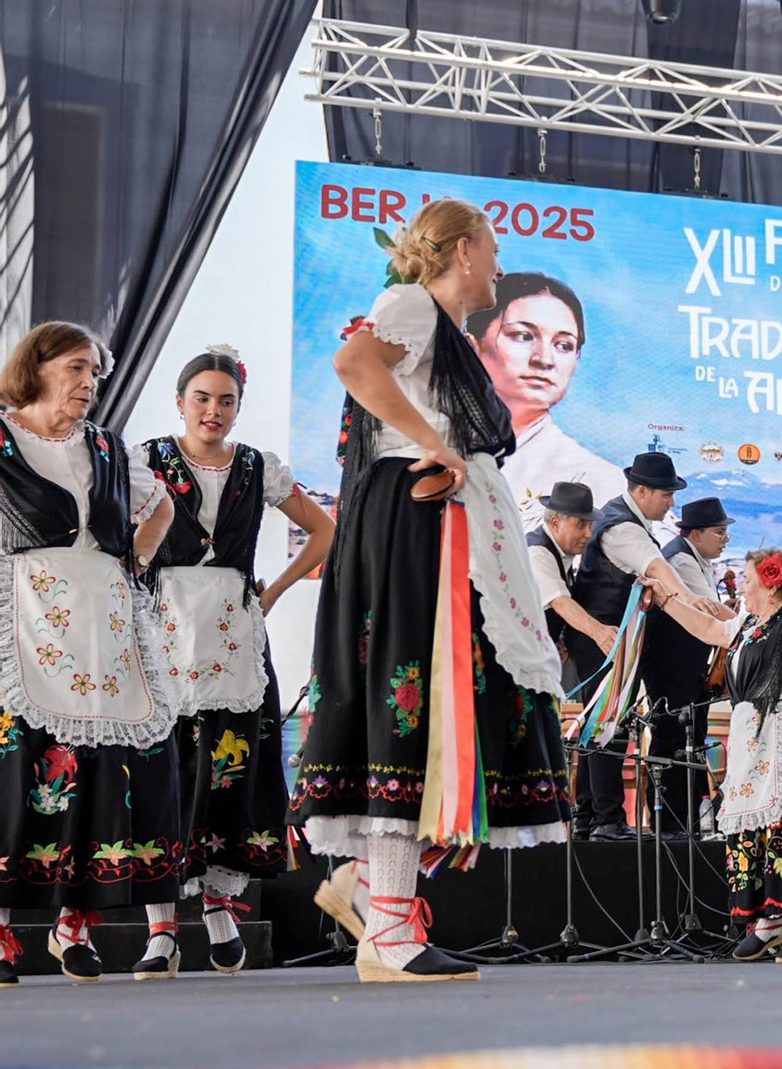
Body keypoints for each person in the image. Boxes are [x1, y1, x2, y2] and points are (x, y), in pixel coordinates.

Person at [287, 197, 571, 983]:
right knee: (414, 705)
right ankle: (388, 927)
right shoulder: (411, 304)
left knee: (446, 714)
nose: (500, 263)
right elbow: (354, 364)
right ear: (462, 250)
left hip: (445, 529)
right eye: (493, 247)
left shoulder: (447, 332)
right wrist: (432, 443)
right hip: (418, 527)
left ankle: (377, 898)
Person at [142, 347, 334, 973]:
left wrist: (273, 592)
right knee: (167, 771)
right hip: (166, 629)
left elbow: (325, 531)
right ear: (180, 401)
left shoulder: (257, 467)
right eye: (202, 398)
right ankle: (162, 928)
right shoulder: (147, 461)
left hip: (234, 634)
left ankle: (219, 906)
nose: (213, 411)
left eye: (226, 401)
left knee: (231, 770)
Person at [0, 322, 178, 986]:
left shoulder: (107, 447)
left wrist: (134, 565)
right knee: (17, 768)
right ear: (37, 365)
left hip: (103, 625)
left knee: (104, 769)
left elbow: (159, 508)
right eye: (77, 367)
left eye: (95, 373)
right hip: (24, 615)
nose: (89, 383)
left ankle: (73, 924)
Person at [640, 548, 782, 962]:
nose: (743, 586)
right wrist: (664, 599)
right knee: (759, 827)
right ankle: (772, 919)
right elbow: (707, 628)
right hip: (758, 739)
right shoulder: (749, 624)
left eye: (749, 579)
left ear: (772, 585)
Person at [566, 452, 713, 841]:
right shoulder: (622, 529)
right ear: (643, 491)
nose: (671, 503)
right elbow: (657, 568)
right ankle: (606, 820)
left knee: (603, 726)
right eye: (666, 494)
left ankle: (591, 818)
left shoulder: (627, 521)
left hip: (616, 640)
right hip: (604, 639)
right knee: (606, 727)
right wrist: (688, 599)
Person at [467, 273, 626, 523]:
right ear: (472, 347)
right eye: (523, 336)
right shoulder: (428, 441)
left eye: (564, 345)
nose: (544, 359)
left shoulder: (600, 481)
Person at [642, 497, 738, 837]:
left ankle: (687, 820)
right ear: (695, 534)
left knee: (691, 737)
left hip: (687, 665)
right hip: (672, 665)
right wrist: (749, 624)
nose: (725, 539)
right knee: (672, 737)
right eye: (719, 532)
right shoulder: (680, 560)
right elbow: (707, 609)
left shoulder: (698, 559)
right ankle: (669, 822)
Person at [525, 481, 611, 660]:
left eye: (590, 525)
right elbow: (560, 603)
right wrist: (600, 633)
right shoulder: (537, 554)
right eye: (581, 525)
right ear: (556, 523)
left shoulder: (562, 551)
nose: (589, 534)